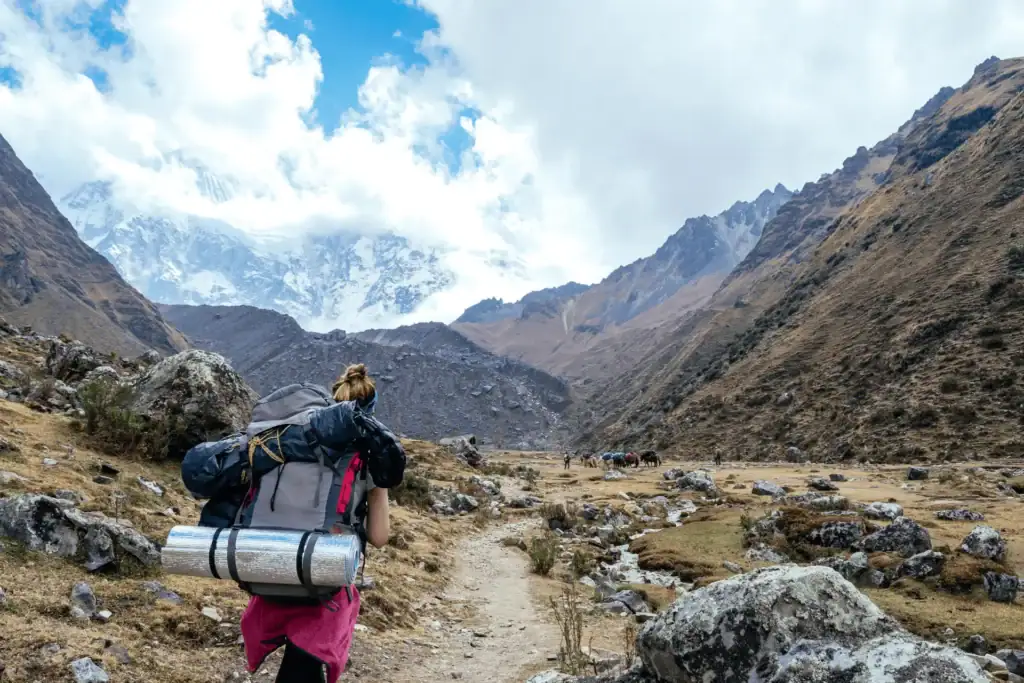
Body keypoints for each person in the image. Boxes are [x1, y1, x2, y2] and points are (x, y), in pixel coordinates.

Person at [240, 364, 392, 683]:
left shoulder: (291, 443)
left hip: (269, 564)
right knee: (302, 667)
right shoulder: (365, 457)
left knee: (300, 667)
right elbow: (379, 536)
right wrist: (379, 489)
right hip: (324, 578)